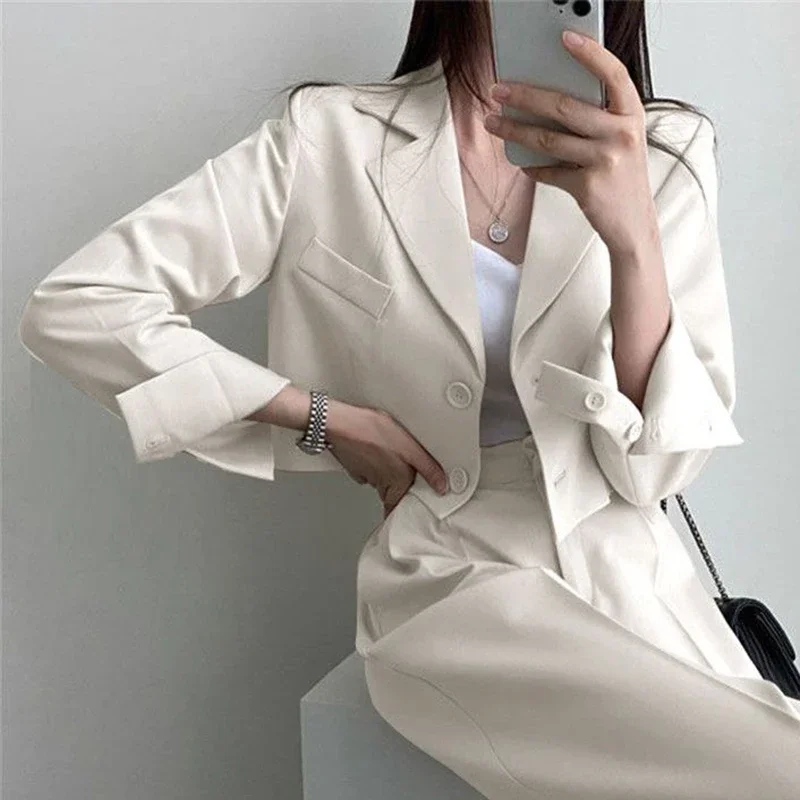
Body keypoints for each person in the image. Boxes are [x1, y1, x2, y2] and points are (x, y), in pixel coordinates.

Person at [18, 2, 800, 797]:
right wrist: (321, 417)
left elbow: (661, 471)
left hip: (632, 569)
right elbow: (81, 305)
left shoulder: (663, 152)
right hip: (445, 574)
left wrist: (634, 239)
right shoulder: (330, 138)